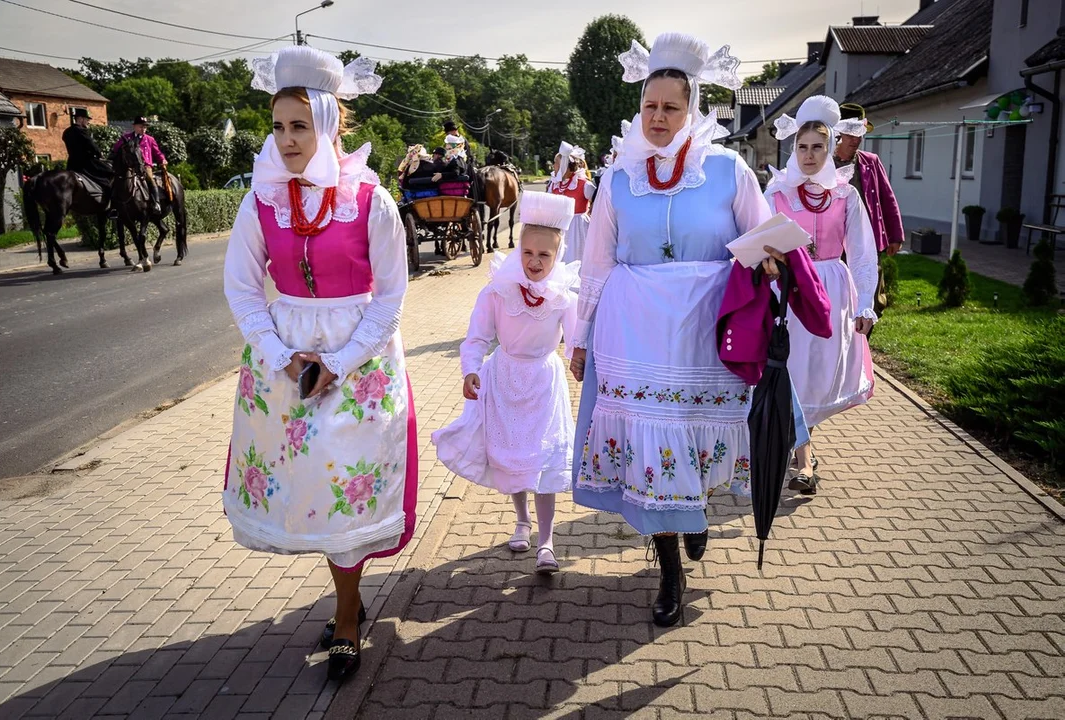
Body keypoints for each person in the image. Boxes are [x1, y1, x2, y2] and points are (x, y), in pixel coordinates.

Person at [569, 33, 797, 627]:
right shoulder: (618, 176)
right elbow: (596, 260)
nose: (659, 117)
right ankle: (670, 566)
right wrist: (580, 337)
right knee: (653, 447)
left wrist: (770, 260)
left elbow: (763, 234)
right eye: (650, 106)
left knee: (695, 436)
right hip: (636, 327)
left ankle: (692, 515)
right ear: (639, 107)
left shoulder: (726, 169)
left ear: (691, 108)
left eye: (671, 107)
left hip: (707, 328)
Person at [222, 46, 416, 683]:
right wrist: (282, 357)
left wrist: (339, 359)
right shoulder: (260, 203)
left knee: (347, 488)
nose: (286, 140)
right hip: (286, 364)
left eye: (299, 126)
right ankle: (345, 605)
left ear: (329, 125)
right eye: (277, 127)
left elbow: (390, 296)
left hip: (357, 361)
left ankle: (346, 614)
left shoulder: (371, 202)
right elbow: (245, 290)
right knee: (312, 489)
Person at [433, 192, 579, 574]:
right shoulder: (498, 289)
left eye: (544, 256)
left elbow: (576, 341)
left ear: (557, 256)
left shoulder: (564, 296)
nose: (534, 262)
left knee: (544, 459)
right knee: (514, 456)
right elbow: (477, 337)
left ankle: (546, 540)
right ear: (518, 249)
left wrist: (580, 361)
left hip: (544, 383)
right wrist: (470, 369)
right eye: (528, 252)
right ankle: (521, 520)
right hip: (505, 379)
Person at [765, 96, 877, 495]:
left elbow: (863, 252)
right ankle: (804, 460)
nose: (809, 155)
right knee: (788, 370)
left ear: (829, 149)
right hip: (786, 291)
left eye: (817, 147)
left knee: (814, 376)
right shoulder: (776, 193)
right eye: (802, 146)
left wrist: (866, 301)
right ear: (792, 148)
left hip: (829, 291)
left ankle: (801, 454)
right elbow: (758, 241)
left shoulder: (845, 195)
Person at [834, 102, 904, 329]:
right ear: (838, 132)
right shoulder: (822, 162)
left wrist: (895, 235)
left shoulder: (870, 162)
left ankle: (863, 336)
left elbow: (887, 198)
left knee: (872, 294)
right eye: (851, 133)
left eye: (860, 133)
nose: (856, 139)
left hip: (867, 239)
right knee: (839, 293)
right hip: (833, 241)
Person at [547, 141, 595, 264]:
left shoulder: (584, 184)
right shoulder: (553, 185)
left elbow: (598, 202)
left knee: (577, 256)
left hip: (578, 228)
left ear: (564, 165)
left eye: (556, 163)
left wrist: (592, 212)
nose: (554, 166)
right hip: (559, 226)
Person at [112, 116, 168, 214]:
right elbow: (116, 148)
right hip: (129, 166)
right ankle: (114, 206)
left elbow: (157, 152)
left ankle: (156, 203)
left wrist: (162, 159)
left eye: (145, 127)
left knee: (150, 178)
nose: (143, 129)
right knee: (116, 180)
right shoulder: (126, 137)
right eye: (141, 127)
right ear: (134, 127)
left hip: (144, 166)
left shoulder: (150, 139)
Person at [62, 108, 113, 194]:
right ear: (80, 119)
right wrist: (100, 154)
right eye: (86, 119)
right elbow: (91, 145)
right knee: (110, 173)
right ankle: (108, 198)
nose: (88, 122)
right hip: (86, 163)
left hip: (71, 164)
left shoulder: (66, 132)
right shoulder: (82, 131)